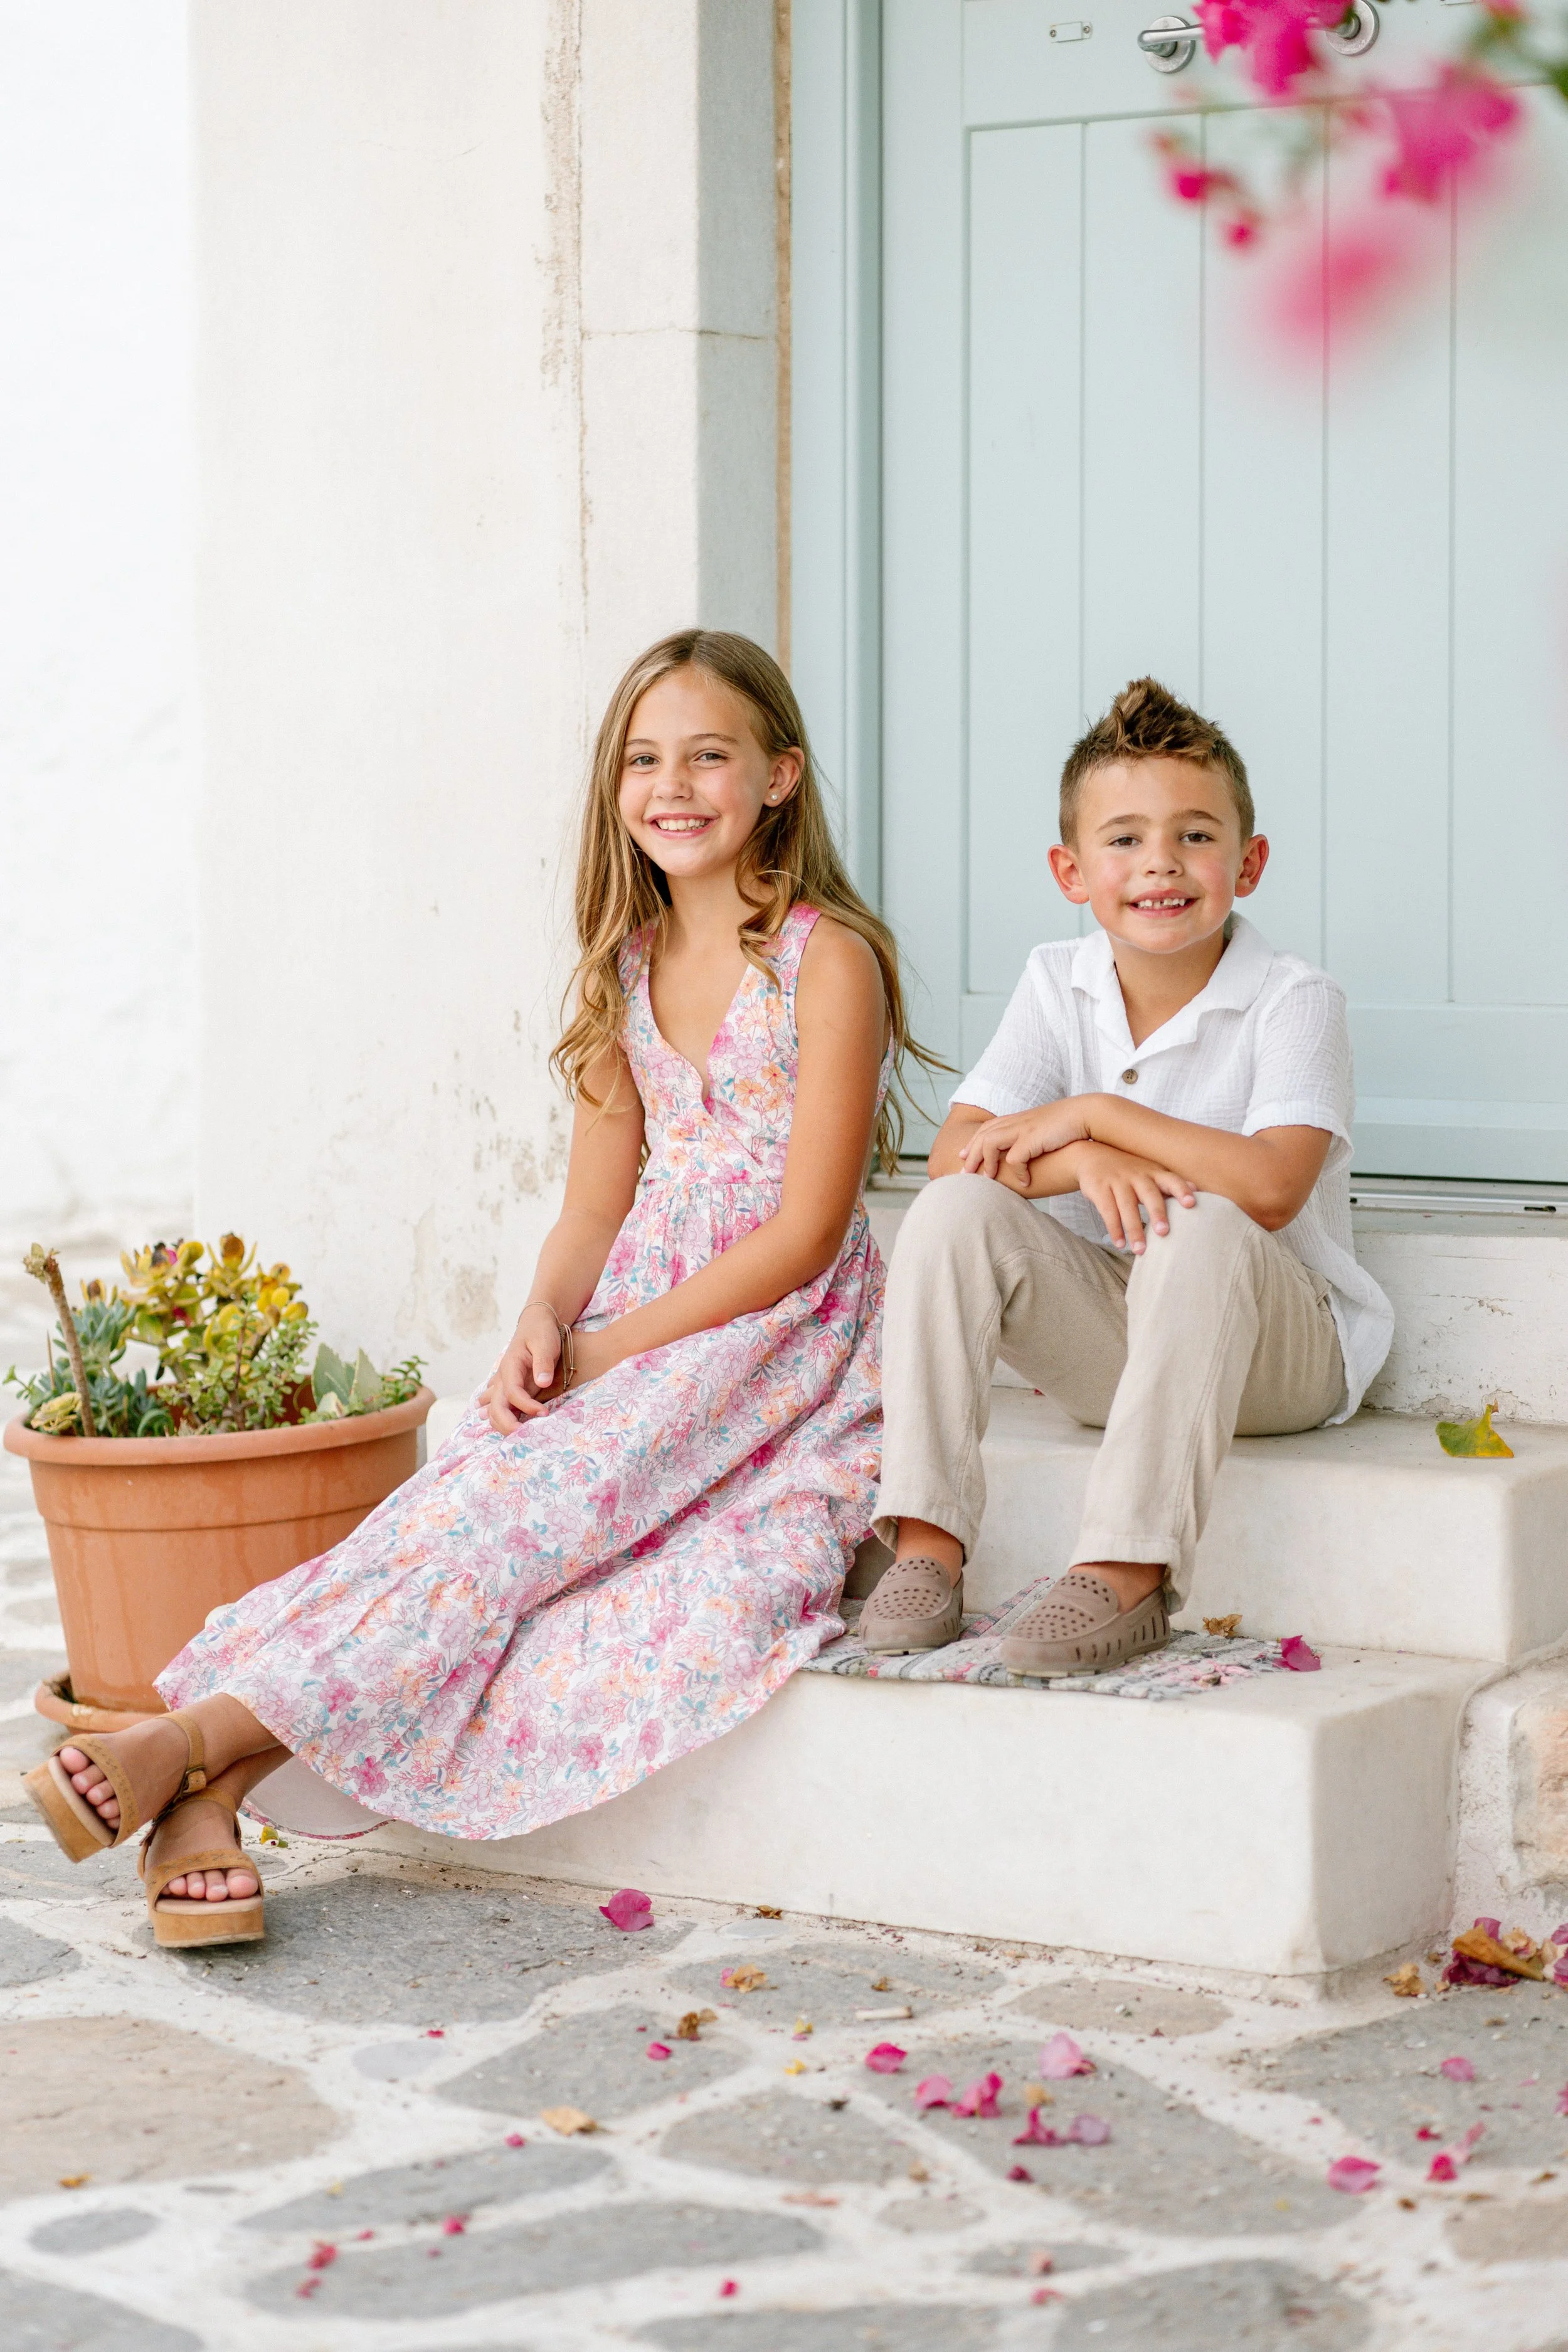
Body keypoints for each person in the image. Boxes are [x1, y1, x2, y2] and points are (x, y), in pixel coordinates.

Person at [26, 628, 932, 1946]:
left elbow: (805, 1231)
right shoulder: (623, 966)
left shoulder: (821, 956)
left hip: (776, 1340)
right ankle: (204, 1788)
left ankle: (191, 1741)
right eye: (641, 758)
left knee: (541, 1544)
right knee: (468, 1515)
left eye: (708, 755)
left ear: (780, 776)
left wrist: (617, 1350)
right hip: (633, 1321)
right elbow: (593, 1203)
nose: (671, 785)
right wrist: (545, 1320)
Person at [859, 677, 1394, 1673]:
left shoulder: (1294, 1000)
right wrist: (1084, 1155)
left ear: (1250, 861)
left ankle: (1126, 1567)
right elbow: (954, 1150)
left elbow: (1272, 1186)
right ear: (1071, 869)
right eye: (1125, 839)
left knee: (1202, 1220)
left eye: (1196, 835)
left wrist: (1102, 1110)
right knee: (955, 1208)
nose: (1161, 863)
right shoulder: (1055, 982)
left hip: (1281, 1351)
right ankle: (926, 1541)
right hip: (1124, 1337)